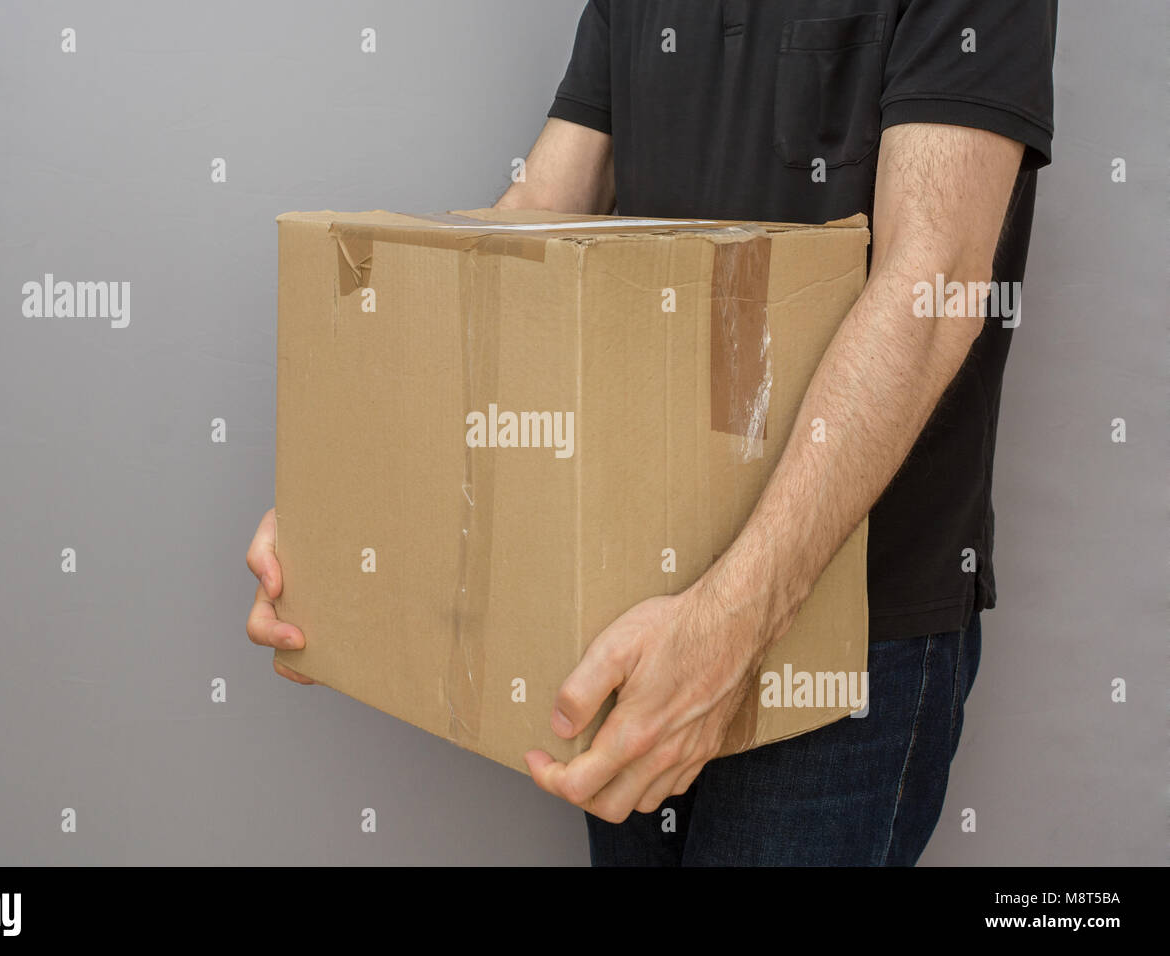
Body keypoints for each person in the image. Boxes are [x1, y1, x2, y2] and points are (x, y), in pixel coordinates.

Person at [247, 0, 1056, 866]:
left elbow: (931, 286)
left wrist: (728, 632)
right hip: (634, 604)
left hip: (848, 629)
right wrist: (359, 496)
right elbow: (536, 216)